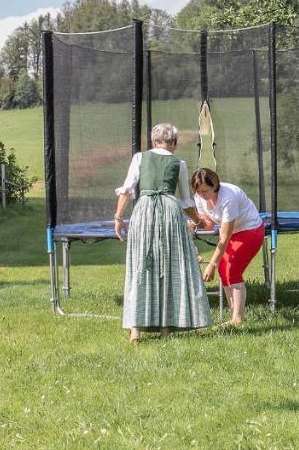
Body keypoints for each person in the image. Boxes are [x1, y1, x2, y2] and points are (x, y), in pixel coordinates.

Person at [113, 124, 211, 344]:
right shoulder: (179, 163)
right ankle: (166, 327)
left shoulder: (140, 158)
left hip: (144, 211)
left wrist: (118, 218)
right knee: (169, 266)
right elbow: (186, 200)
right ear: (174, 143)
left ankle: (135, 328)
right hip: (170, 212)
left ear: (153, 140)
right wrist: (198, 220)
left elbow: (127, 190)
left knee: (141, 265)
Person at [191, 168, 265, 328]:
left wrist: (211, 264)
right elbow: (208, 222)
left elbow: (224, 238)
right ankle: (234, 315)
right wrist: (193, 222)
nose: (202, 195)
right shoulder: (199, 196)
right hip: (234, 233)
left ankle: (237, 319)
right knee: (224, 271)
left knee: (231, 270)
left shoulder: (228, 198)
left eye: (205, 191)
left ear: (215, 185)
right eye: (198, 191)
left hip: (250, 231)